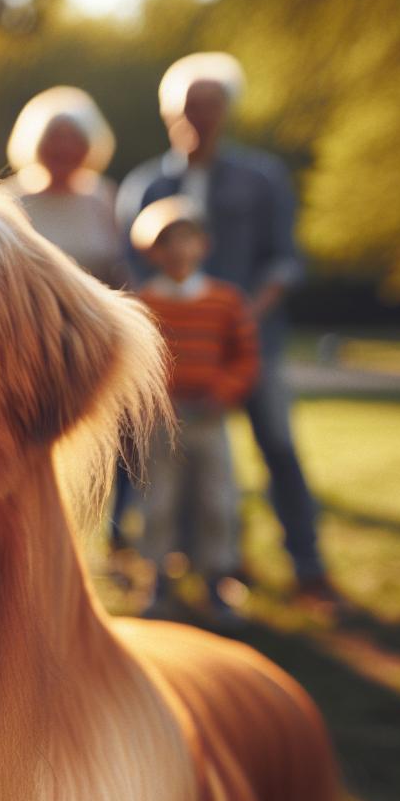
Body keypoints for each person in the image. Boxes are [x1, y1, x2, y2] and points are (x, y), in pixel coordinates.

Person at [118, 52, 342, 606]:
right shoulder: (147, 185)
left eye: (212, 105)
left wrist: (241, 313)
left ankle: (307, 566)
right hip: (172, 358)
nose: (201, 116)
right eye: (190, 106)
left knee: (278, 447)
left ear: (227, 110)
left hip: (251, 344)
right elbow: (132, 271)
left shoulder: (261, 178)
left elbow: (286, 260)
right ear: (172, 111)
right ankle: (167, 564)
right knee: (159, 463)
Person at [128, 196, 259, 627]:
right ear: (153, 250)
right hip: (164, 423)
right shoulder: (144, 302)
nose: (179, 251)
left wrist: (224, 391)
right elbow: (138, 363)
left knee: (217, 499)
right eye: (168, 242)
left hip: (210, 419)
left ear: (203, 245)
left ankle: (217, 578)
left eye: (188, 240)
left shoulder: (225, 301)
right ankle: (157, 579)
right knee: (158, 500)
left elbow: (244, 357)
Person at [3, 85, 130, 288]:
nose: (64, 148)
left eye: (74, 138)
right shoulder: (7, 201)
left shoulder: (104, 197)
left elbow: (123, 268)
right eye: (54, 137)